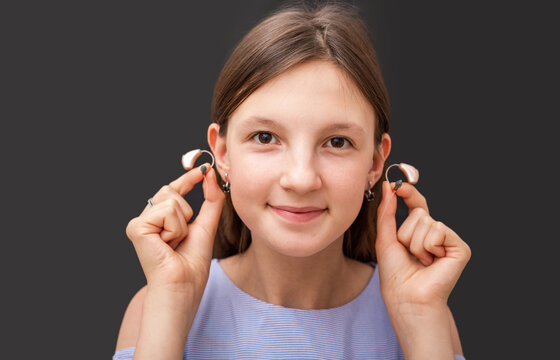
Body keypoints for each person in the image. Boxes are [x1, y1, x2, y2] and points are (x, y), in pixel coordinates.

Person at [114, 2, 471, 359]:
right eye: (266, 137)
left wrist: (419, 317)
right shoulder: (157, 306)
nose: (301, 179)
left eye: (337, 142)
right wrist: (172, 303)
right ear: (222, 155)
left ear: (375, 163)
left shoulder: (424, 310)